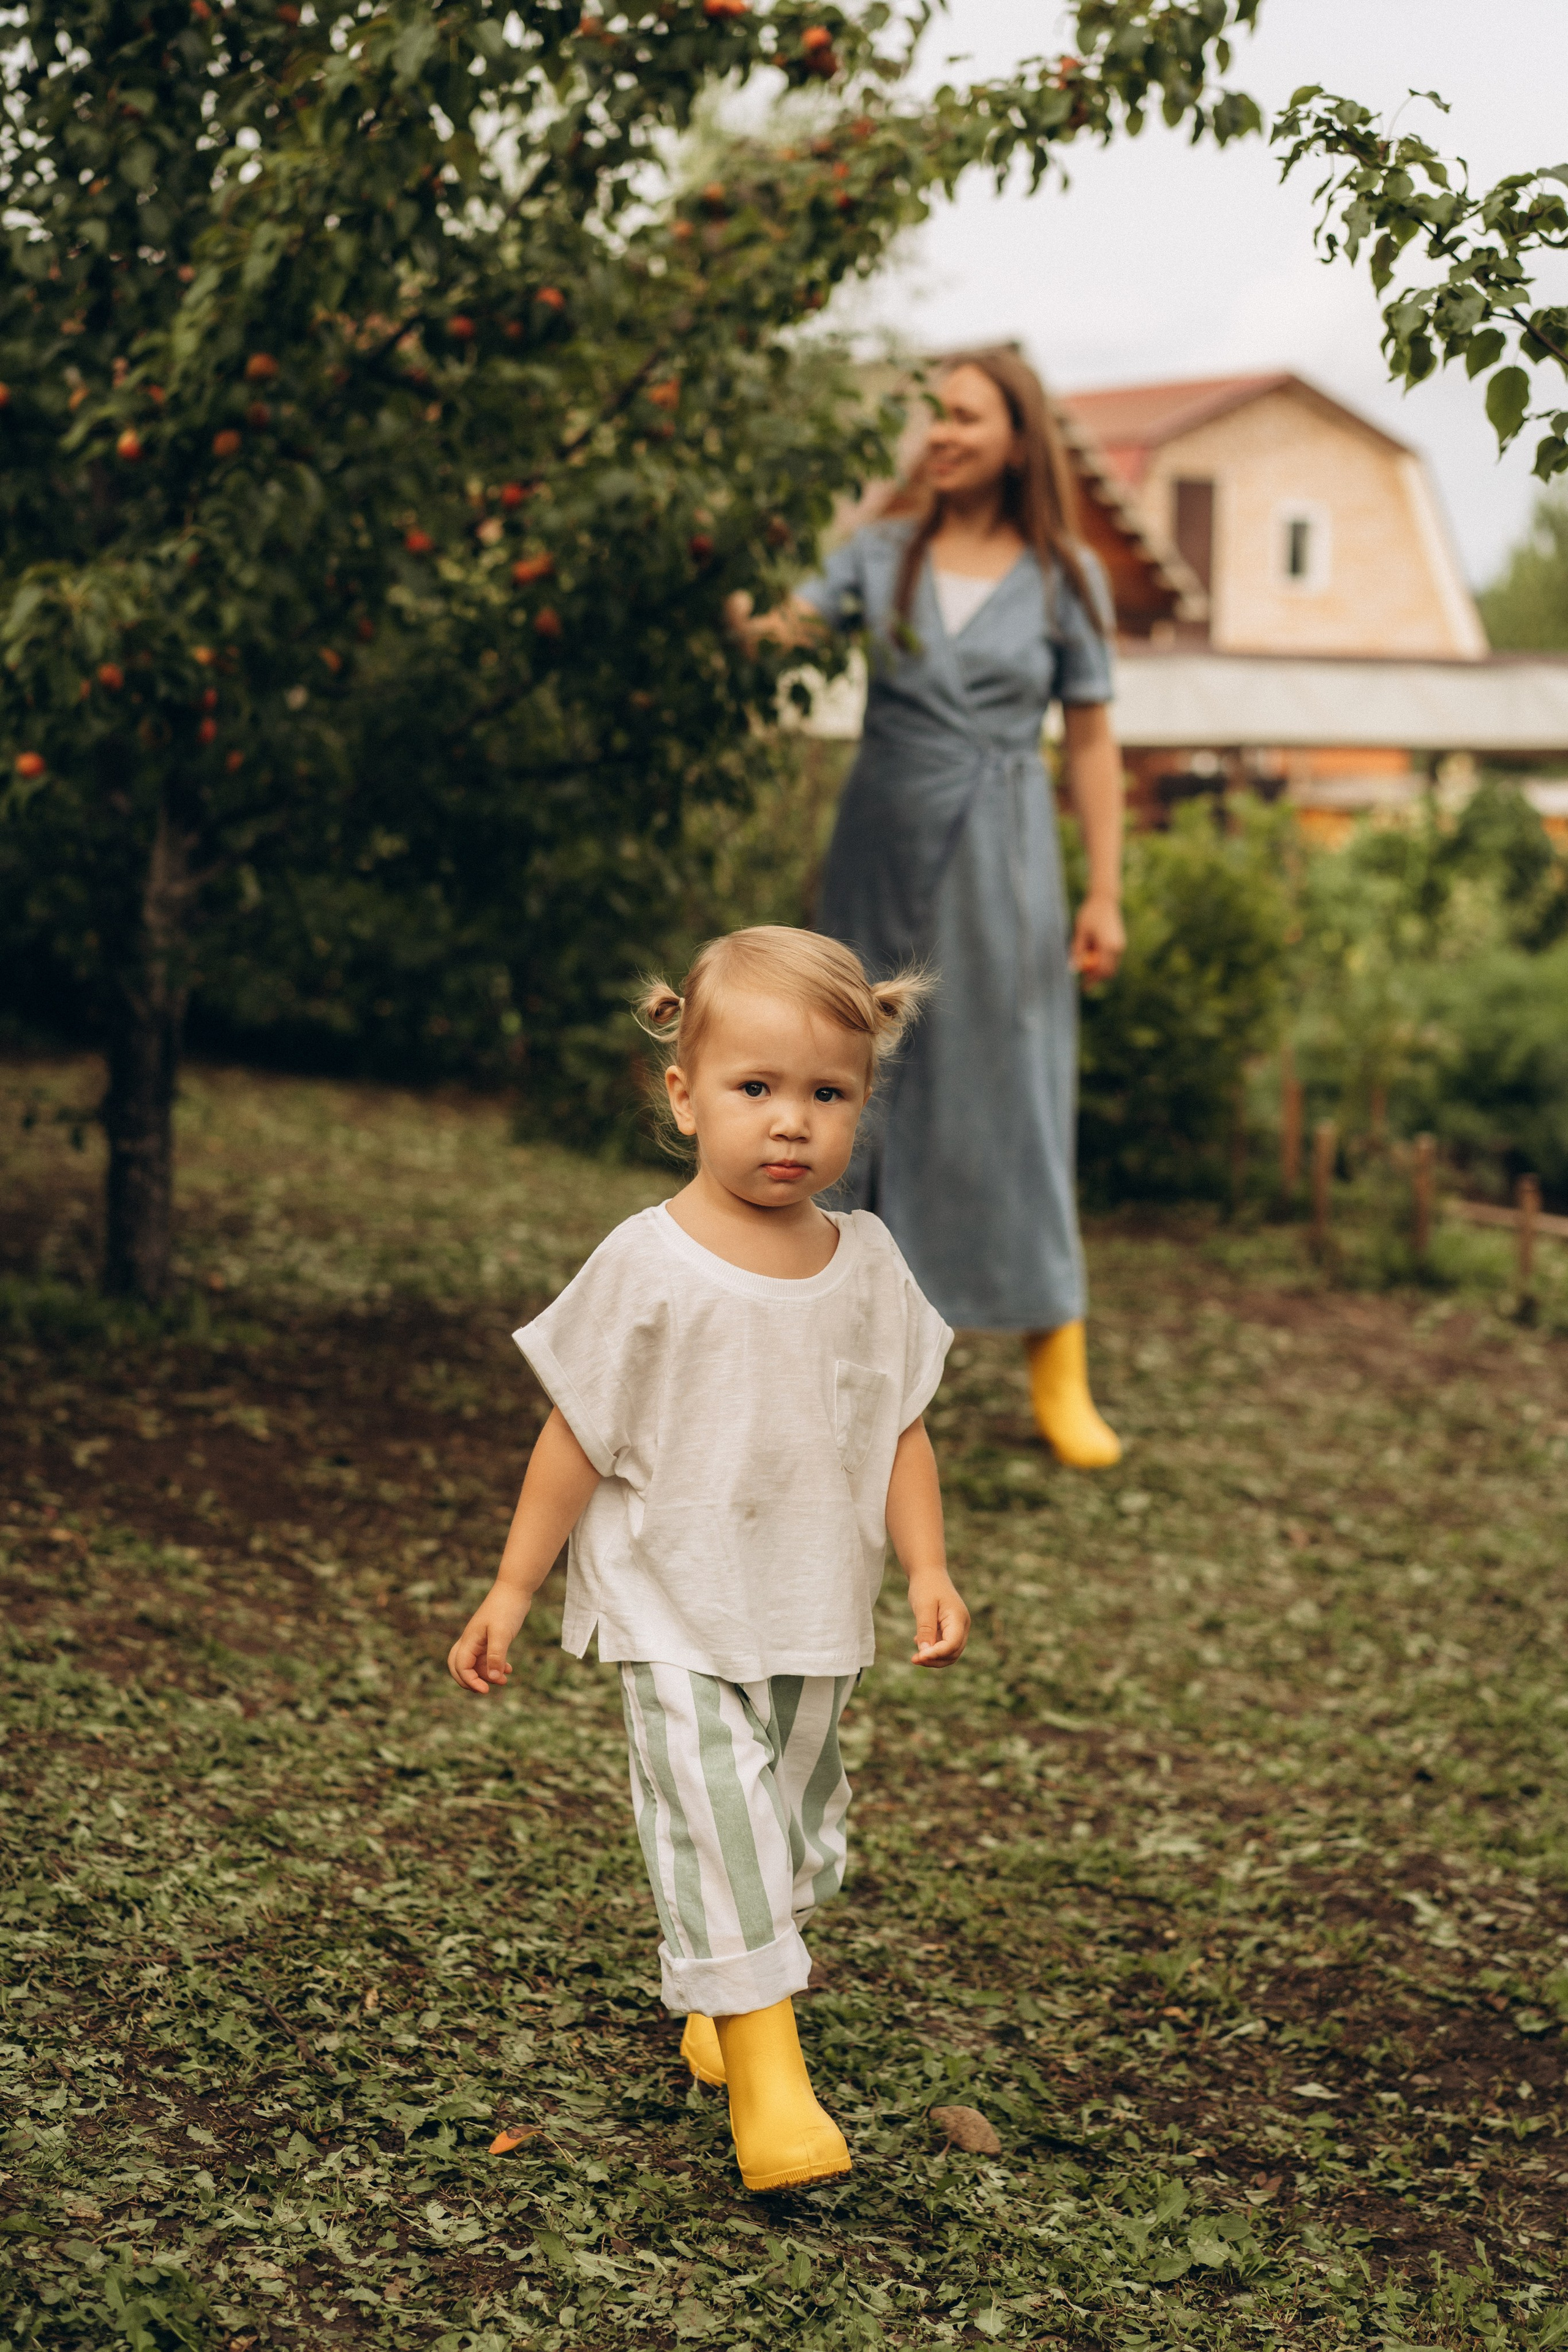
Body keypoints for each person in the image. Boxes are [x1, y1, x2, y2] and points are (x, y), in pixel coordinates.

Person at [447, 925, 970, 2195]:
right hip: (670, 1605)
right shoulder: (647, 1262)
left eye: (826, 1094)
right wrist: (514, 1588)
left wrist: (928, 1568)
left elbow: (901, 1428)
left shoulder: (869, 1265)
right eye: (755, 1088)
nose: (791, 1122)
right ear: (684, 1096)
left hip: (809, 1611)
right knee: (718, 1817)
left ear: (860, 1103)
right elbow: (575, 1433)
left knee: (789, 1836)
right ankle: (774, 2090)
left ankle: (726, 1997)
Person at [730, 347, 1126, 1468]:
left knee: (1012, 1088)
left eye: (966, 416)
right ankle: (837, 1346)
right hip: (880, 839)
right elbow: (788, 629)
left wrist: (1105, 890)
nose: (942, 433)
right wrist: (727, 597)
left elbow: (1092, 741)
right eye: (934, 415)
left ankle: (1056, 1353)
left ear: (1018, 440)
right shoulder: (881, 550)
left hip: (1004, 853)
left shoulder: (1066, 575)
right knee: (852, 1072)